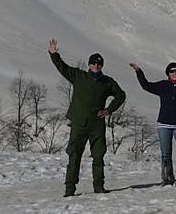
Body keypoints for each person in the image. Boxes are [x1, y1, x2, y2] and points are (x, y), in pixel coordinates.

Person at [48, 38, 126, 196]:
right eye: (93, 63)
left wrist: (108, 110)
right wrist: (53, 54)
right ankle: (70, 189)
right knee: (74, 156)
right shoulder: (79, 76)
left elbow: (121, 95)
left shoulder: (107, 82)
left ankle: (99, 186)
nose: (96, 66)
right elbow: (62, 68)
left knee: (98, 156)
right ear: (89, 64)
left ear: (102, 66)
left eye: (99, 64)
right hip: (79, 123)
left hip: (97, 124)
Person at [129, 61, 176, 185]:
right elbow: (146, 86)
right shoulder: (163, 86)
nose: (174, 73)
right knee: (166, 154)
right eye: (172, 71)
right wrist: (139, 72)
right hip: (164, 125)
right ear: (168, 73)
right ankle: (168, 179)